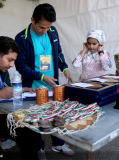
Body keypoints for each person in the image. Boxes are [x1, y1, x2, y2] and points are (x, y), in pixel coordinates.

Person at [15, 3, 74, 156]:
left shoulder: (53, 32)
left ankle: (59, 143)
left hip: (53, 85)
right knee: (35, 117)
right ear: (32, 20)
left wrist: (65, 68)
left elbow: (58, 53)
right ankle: (38, 147)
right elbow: (21, 66)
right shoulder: (21, 38)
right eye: (42, 27)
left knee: (57, 114)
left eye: (48, 27)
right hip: (33, 86)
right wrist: (41, 76)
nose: (45, 31)